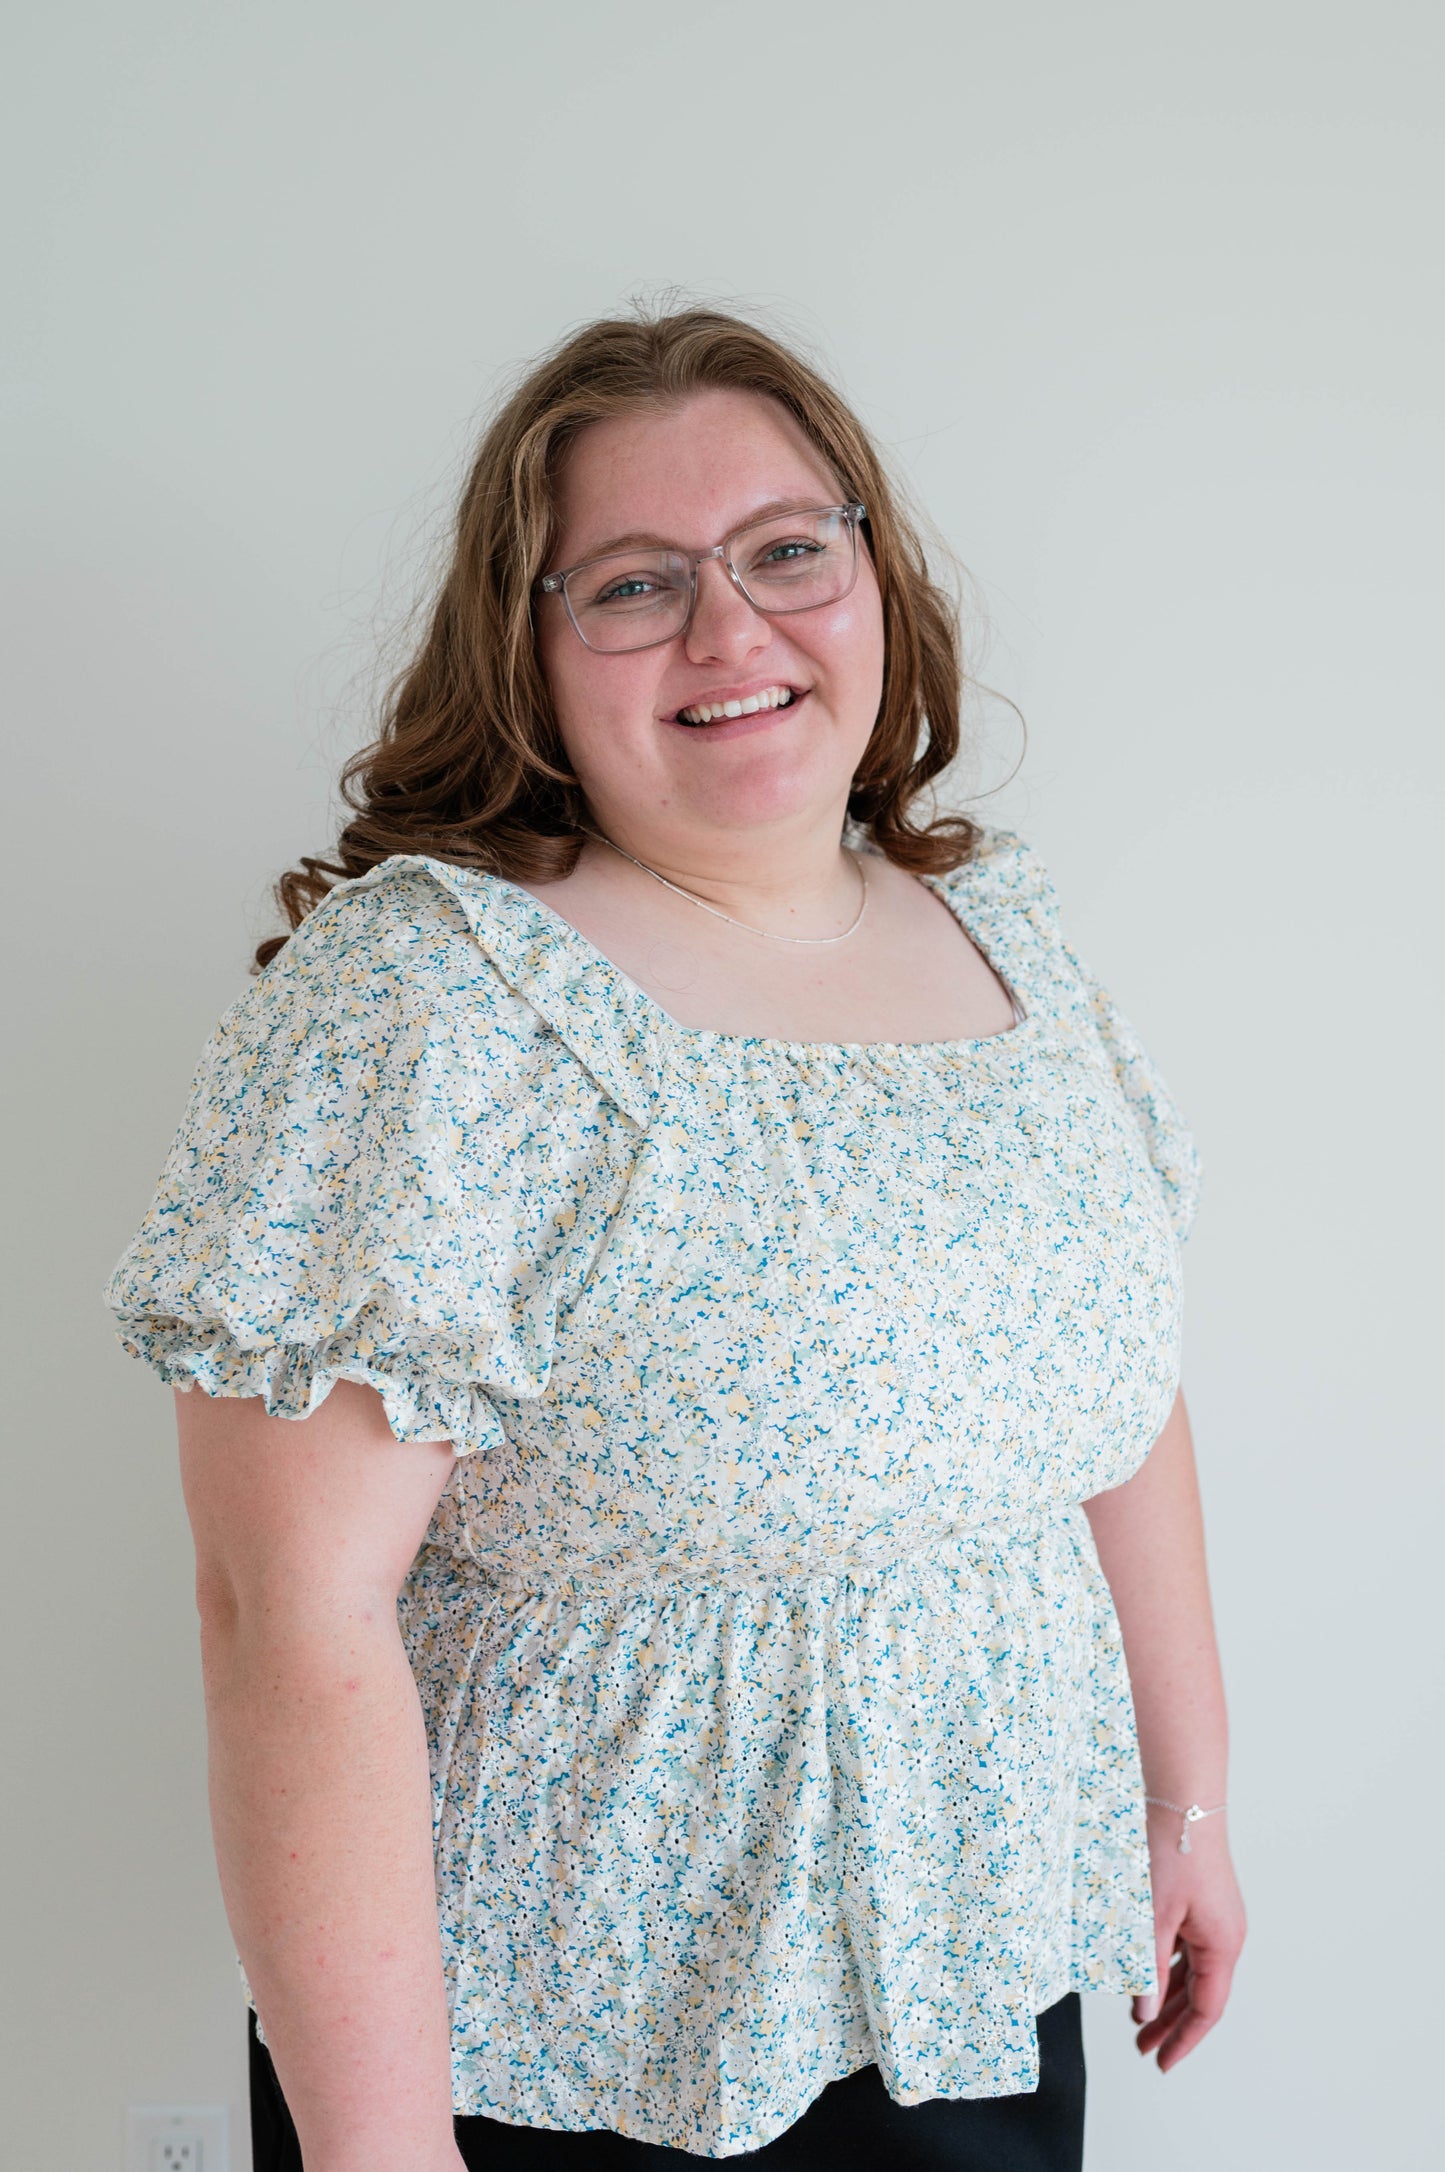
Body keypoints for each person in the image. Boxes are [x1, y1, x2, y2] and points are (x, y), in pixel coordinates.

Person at [102, 306, 1246, 2171]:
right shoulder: (436, 996)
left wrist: (1184, 1811)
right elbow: (283, 1614)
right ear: (527, 647)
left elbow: (1116, 1405)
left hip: (979, 1957)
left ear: (873, 572)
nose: (733, 633)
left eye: (789, 549)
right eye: (633, 585)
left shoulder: (1005, 938)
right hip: (572, 2041)